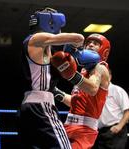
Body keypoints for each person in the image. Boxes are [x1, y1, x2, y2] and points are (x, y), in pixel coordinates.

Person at [19, 7, 85, 149]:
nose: (60, 29)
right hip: (41, 106)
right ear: (49, 22)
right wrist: (77, 43)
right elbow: (78, 37)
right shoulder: (36, 38)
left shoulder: (43, 47)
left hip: (29, 106)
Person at [51, 33, 111, 149]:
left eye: (95, 43)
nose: (90, 45)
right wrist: (54, 91)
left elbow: (93, 89)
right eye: (88, 43)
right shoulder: (83, 71)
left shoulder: (101, 68)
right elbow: (75, 101)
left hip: (84, 130)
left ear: (104, 51)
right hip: (69, 125)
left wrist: (71, 75)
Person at [93, 69, 129, 149]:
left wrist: (119, 126)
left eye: (101, 76)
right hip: (99, 132)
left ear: (109, 77)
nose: (99, 78)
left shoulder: (117, 90)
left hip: (115, 131)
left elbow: (128, 111)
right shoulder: (94, 92)